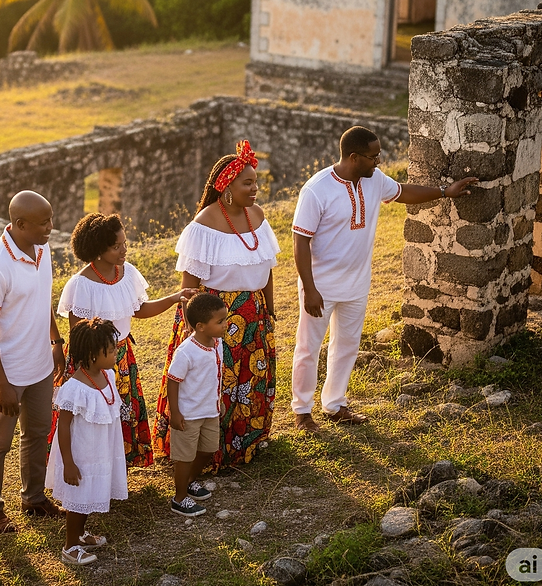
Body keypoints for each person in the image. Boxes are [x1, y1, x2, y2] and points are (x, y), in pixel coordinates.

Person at [291, 125, 478, 432]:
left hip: (357, 284)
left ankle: (335, 404)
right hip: (320, 288)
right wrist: (309, 289)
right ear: (354, 157)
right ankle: (302, 412)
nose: (378, 161)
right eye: (373, 156)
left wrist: (445, 191)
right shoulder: (316, 189)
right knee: (308, 348)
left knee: (347, 346)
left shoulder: (374, 180)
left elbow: (404, 192)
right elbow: (300, 241)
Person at [153, 140, 280, 470]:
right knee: (214, 383)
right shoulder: (204, 225)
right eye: (247, 183)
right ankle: (207, 453)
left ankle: (246, 443)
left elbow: (267, 267)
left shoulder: (258, 216)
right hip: (214, 317)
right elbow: (189, 288)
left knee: (250, 380)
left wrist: (268, 307)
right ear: (226, 188)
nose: (255, 189)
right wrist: (193, 332)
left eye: (256, 182)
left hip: (253, 314)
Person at [56, 212, 196, 468]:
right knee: (95, 415)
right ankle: (91, 466)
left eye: (124, 244)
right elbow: (78, 333)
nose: (124, 251)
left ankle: (120, 464)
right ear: (98, 250)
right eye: (116, 246)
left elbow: (139, 310)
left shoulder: (127, 273)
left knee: (122, 410)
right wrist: (92, 366)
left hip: (121, 357)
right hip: (93, 360)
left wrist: (175, 297)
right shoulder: (81, 285)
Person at [0, 190, 66, 534]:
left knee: (38, 432)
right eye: (44, 223)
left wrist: (55, 341)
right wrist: (0, 383)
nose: (51, 227)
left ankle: (34, 498)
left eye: (51, 219)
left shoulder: (41, 248)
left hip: (39, 364)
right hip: (7, 372)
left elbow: (43, 298)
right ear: (20, 224)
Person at [46, 317, 128, 567]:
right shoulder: (74, 389)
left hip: (100, 451)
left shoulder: (108, 376)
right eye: (111, 350)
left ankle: (80, 534)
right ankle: (70, 546)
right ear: (93, 355)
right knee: (78, 500)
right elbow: (63, 427)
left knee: (89, 495)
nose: (116, 353)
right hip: (81, 455)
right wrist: (69, 463)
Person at [165, 293, 228, 516]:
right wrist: (175, 413)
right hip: (189, 415)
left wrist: (218, 400)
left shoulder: (217, 343)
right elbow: (173, 381)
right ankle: (179, 498)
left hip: (210, 410)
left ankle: (190, 481)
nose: (225, 324)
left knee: (208, 449)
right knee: (185, 457)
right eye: (220, 321)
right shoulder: (186, 352)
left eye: (225, 319)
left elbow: (214, 375)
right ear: (200, 326)